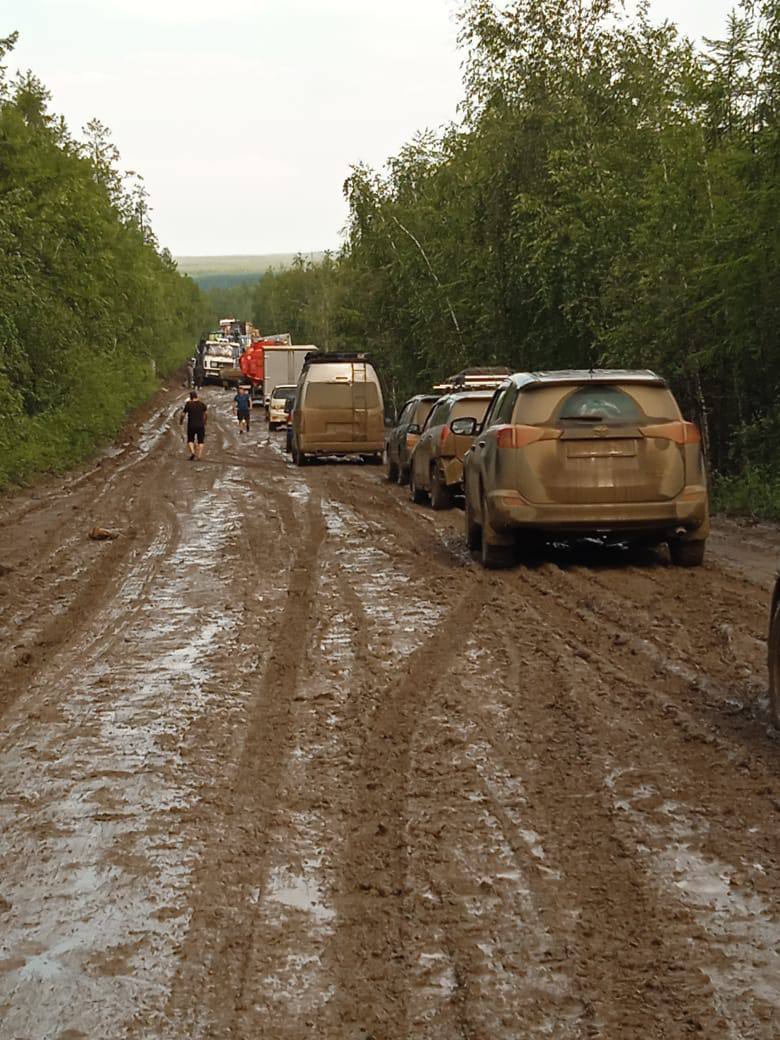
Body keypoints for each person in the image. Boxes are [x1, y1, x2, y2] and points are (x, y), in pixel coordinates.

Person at [179, 390, 208, 460]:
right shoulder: (202, 404)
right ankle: (199, 455)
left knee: (190, 440)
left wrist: (181, 421)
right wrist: (205, 421)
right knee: (201, 440)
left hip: (191, 425)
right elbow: (206, 413)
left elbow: (183, 414)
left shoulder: (188, 404)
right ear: (196, 396)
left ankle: (192, 452)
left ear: (190, 397)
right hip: (201, 425)